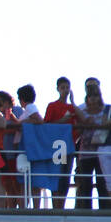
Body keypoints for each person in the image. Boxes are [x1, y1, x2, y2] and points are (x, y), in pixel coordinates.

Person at [44, 77, 79, 209]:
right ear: (58, 89)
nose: (65, 90)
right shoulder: (52, 106)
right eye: (62, 87)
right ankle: (56, 207)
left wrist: (73, 102)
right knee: (56, 176)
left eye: (67, 87)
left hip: (69, 146)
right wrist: (63, 120)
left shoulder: (72, 108)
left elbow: (79, 124)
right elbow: (47, 125)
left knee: (65, 178)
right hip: (56, 147)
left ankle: (61, 207)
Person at [74, 83, 111, 210]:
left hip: (102, 152)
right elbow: (78, 132)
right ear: (87, 98)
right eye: (91, 95)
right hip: (85, 153)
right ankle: (85, 211)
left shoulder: (107, 111)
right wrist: (83, 123)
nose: (94, 98)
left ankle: (104, 211)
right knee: (85, 185)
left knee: (103, 184)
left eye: (96, 95)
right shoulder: (82, 112)